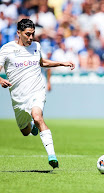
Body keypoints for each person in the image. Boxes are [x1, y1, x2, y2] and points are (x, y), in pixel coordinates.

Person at [0, 19, 75, 169]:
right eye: (27, 34)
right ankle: (32, 126)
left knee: (38, 117)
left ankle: (52, 156)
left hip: (36, 90)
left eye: (32, 34)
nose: (31, 38)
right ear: (18, 33)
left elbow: (41, 62)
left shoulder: (36, 46)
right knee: (25, 131)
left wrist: (61, 63)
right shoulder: (7, 49)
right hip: (18, 98)